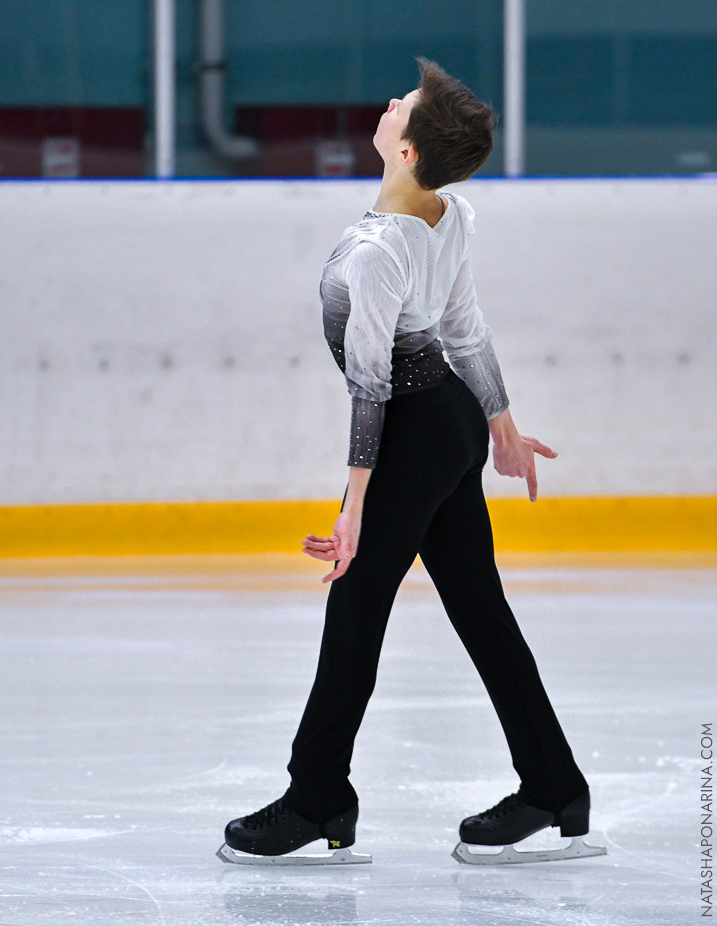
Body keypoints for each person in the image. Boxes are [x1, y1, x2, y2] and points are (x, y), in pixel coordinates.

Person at [221, 58, 592, 863]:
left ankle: (317, 796)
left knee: (356, 613)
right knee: (481, 611)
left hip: (416, 437)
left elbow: (371, 384)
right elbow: (466, 330)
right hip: (448, 427)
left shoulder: (375, 251)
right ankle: (554, 785)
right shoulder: (451, 214)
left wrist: (354, 504)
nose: (389, 105)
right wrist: (495, 420)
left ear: (410, 151)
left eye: (403, 106)